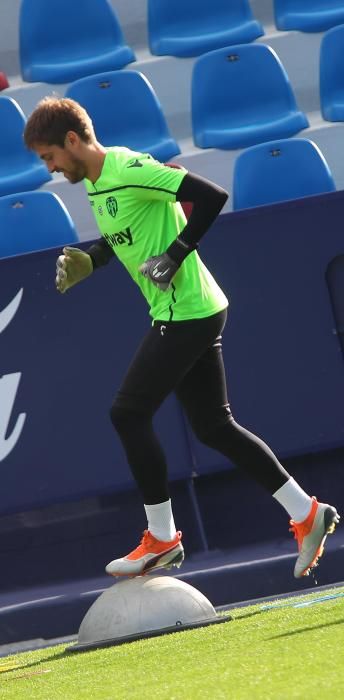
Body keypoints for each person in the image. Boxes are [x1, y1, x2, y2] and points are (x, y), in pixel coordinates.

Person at [24, 97, 339, 580]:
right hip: (192, 309)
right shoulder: (96, 182)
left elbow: (211, 195)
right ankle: (306, 513)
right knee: (214, 427)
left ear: (72, 140)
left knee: (127, 413)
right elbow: (127, 229)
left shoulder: (128, 168)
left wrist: (174, 254)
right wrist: (95, 259)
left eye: (50, 157)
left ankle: (163, 539)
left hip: (187, 311)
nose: (50, 168)